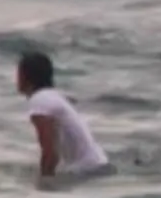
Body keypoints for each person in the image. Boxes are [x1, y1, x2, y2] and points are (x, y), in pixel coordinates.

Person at [16, 50, 112, 184]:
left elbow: (50, 153)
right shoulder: (53, 96)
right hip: (98, 165)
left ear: (26, 76)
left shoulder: (40, 102)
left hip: (88, 171)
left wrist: (43, 184)